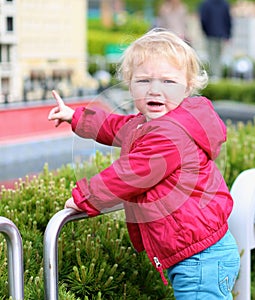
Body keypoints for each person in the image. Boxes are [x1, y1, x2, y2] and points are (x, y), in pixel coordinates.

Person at [48, 29, 240, 299]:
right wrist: (75, 117)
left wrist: (85, 198)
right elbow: (114, 126)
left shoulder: (171, 134)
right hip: (198, 252)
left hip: (201, 258)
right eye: (143, 81)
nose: (154, 89)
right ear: (130, 85)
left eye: (167, 82)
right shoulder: (145, 123)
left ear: (187, 87)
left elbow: (129, 174)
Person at [199, 0, 232, 79]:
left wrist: (205, 31)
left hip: (210, 34)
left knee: (213, 57)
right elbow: (228, 20)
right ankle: (217, 76)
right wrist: (228, 35)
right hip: (222, 34)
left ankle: (215, 76)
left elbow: (203, 19)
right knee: (218, 57)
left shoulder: (205, 4)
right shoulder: (225, 4)